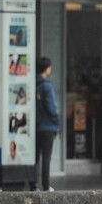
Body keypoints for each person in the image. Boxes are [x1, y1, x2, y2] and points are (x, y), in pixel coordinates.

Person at [30, 57, 59, 192]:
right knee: (46, 157)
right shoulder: (47, 86)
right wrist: (56, 120)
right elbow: (51, 108)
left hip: (35, 126)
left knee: (35, 157)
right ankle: (46, 186)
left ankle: (33, 185)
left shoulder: (32, 84)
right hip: (47, 126)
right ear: (46, 69)